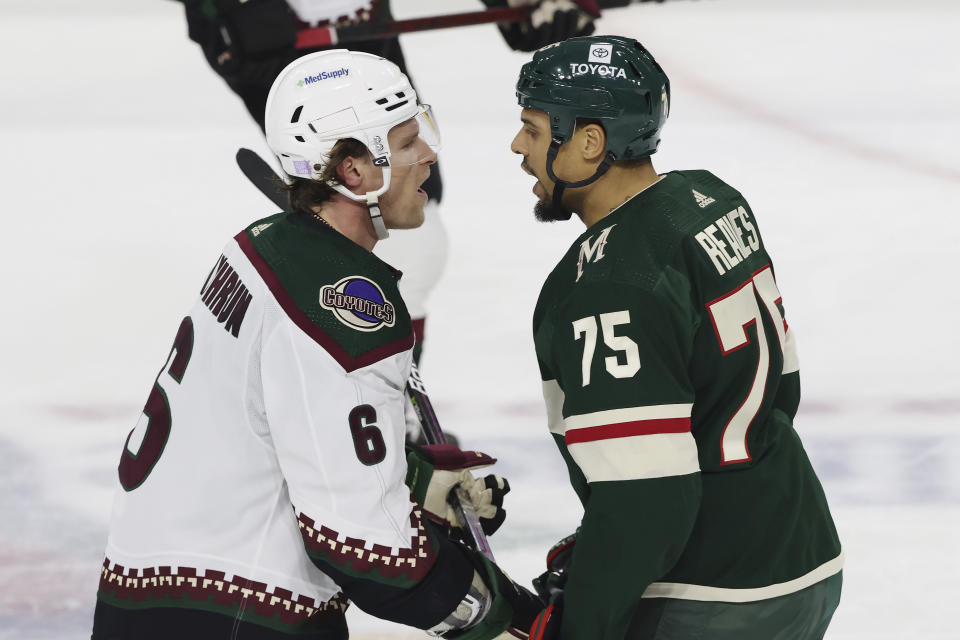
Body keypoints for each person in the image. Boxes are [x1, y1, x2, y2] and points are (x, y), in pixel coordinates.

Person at [91, 50, 541, 640]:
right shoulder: (344, 303)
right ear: (353, 171)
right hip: (239, 616)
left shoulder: (260, 247)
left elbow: (277, 440)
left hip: (150, 598)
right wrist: (510, 617)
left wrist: (408, 484)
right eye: (407, 143)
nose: (429, 155)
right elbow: (366, 549)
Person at [510, 36, 843, 640]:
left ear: (589, 142)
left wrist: (586, 618)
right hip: (804, 554)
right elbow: (780, 389)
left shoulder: (607, 287)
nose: (518, 147)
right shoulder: (711, 198)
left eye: (532, 129)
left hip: (714, 594)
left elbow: (648, 496)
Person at [176, 0, 597, 368]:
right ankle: (369, 401)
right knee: (400, 231)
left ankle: (384, 405)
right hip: (273, 44)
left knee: (415, 228)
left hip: (356, 38)